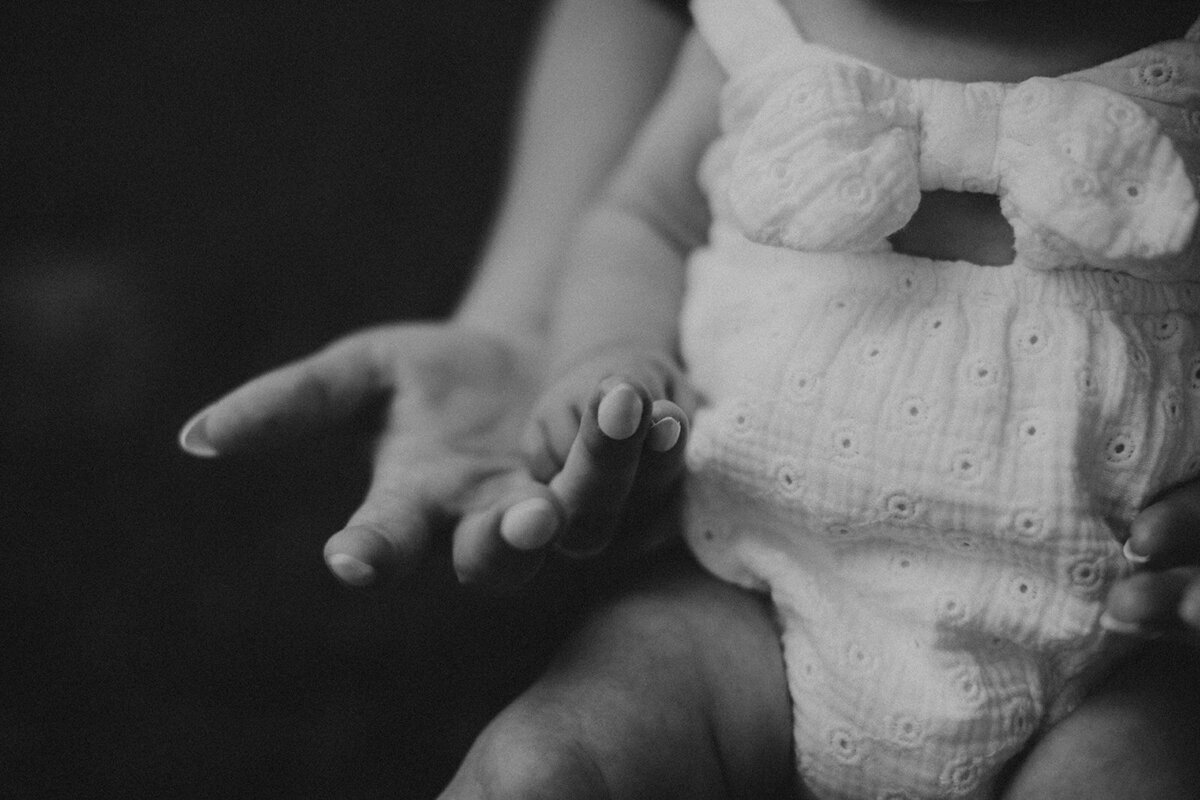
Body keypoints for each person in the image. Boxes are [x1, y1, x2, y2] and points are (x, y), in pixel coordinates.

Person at [179, 0, 1200, 797]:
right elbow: (644, 216)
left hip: (1112, 646)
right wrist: (607, 351)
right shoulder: (754, 30)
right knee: (547, 761)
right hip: (755, 587)